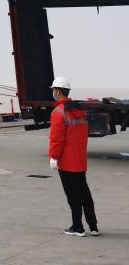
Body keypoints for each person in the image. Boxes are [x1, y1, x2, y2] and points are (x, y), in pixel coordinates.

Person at [49, 75, 99, 237]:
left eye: (53, 90)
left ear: (57, 91)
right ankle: (93, 226)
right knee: (85, 194)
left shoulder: (58, 112)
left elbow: (57, 139)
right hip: (79, 161)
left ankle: (77, 227)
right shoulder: (79, 111)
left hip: (66, 162)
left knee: (72, 196)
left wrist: (53, 157)